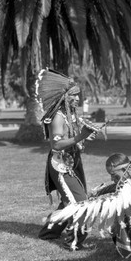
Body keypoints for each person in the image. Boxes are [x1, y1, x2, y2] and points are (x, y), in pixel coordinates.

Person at [46, 153, 131, 261]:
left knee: (121, 217)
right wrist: (97, 194)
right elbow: (116, 187)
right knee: (123, 215)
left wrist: (87, 205)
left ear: (124, 169)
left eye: (114, 175)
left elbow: (118, 199)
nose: (112, 178)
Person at [37, 68, 97, 251]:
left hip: (71, 162)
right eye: (74, 96)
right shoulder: (58, 117)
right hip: (61, 165)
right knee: (80, 203)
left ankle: (48, 231)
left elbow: (71, 139)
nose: (78, 99)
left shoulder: (70, 115)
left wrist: (83, 137)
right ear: (64, 96)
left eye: (78, 96)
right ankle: (74, 240)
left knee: (67, 201)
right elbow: (56, 145)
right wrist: (79, 138)